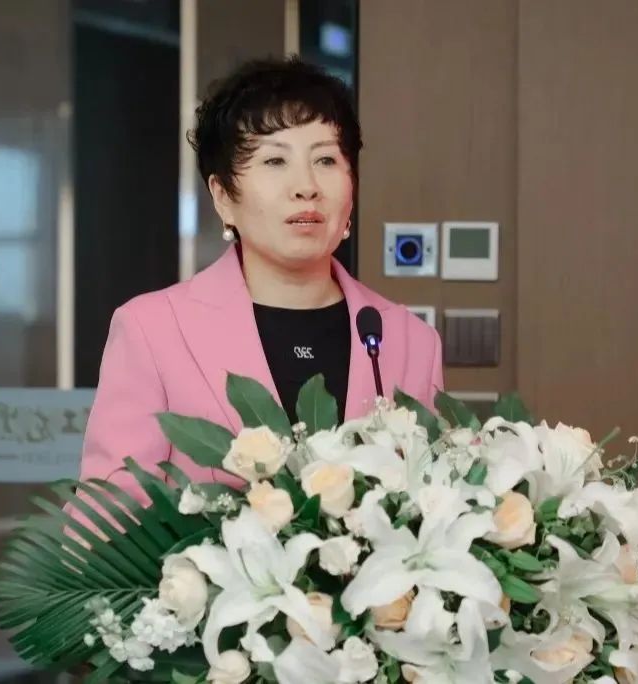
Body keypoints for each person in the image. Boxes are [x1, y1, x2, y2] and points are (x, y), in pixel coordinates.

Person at [77, 56, 444, 506]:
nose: (306, 186)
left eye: (326, 159)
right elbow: (108, 518)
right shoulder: (152, 330)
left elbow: (436, 501)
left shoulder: (410, 340)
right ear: (222, 196)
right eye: (274, 161)